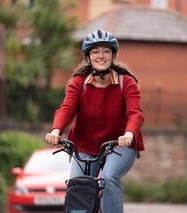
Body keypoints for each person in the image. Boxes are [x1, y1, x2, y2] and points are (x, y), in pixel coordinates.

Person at [44, 29, 144, 213]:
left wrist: (129, 134)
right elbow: (67, 108)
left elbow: (135, 113)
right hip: (85, 145)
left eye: (106, 51)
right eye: (95, 52)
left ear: (113, 55)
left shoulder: (126, 82)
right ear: (88, 57)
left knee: (108, 177)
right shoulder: (79, 82)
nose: (101, 56)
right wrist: (56, 130)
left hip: (119, 146)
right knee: (77, 186)